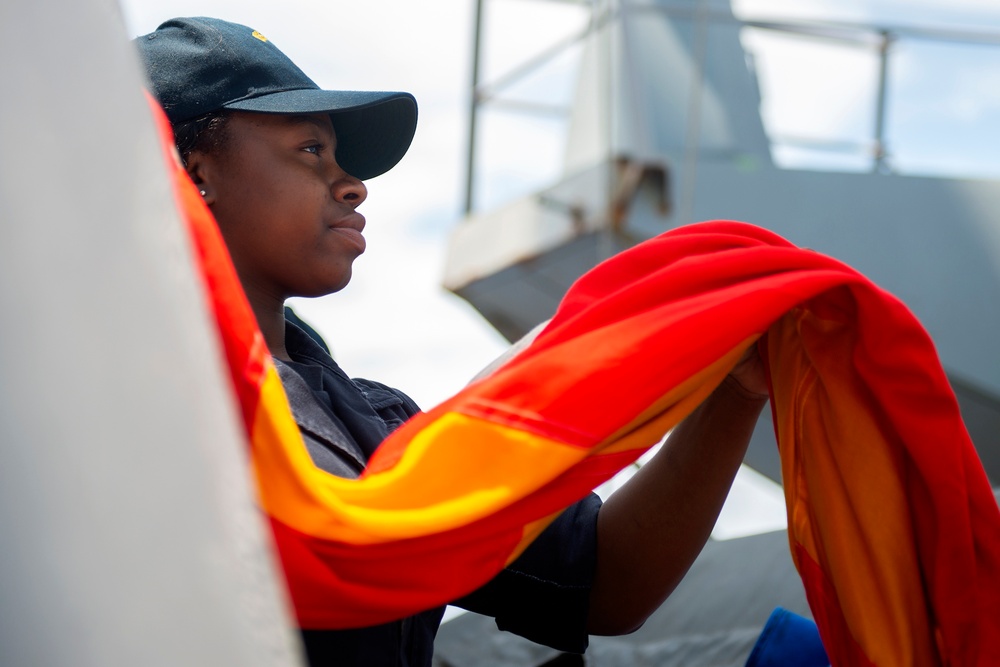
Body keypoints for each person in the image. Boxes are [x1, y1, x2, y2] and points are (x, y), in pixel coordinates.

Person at [135, 16, 768, 666]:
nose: (353, 184)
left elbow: (602, 584)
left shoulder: (379, 423)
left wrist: (736, 396)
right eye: (310, 151)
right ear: (194, 172)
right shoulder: (121, 397)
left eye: (341, 158)